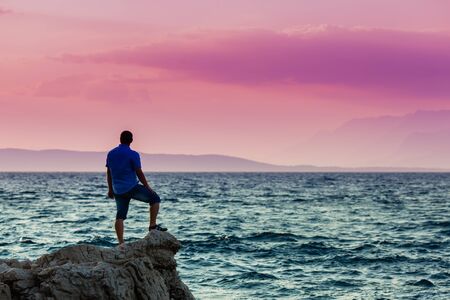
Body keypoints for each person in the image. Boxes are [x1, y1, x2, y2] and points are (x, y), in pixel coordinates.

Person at [106, 130, 167, 246]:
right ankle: (152, 226)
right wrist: (147, 186)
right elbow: (139, 172)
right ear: (131, 140)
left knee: (120, 216)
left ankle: (121, 243)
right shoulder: (133, 154)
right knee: (155, 199)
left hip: (117, 189)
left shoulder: (111, 153)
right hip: (131, 187)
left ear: (120, 139)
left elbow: (109, 172)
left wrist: (110, 189)